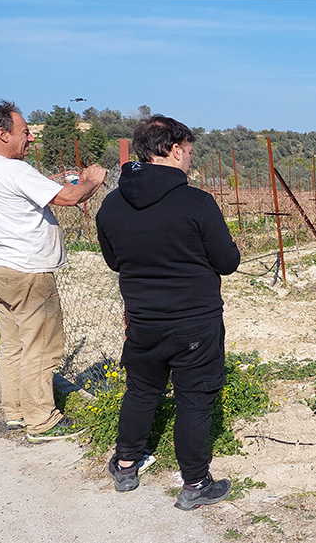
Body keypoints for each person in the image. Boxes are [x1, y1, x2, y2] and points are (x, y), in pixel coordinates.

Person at [95, 115, 240, 510]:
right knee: (194, 398)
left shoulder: (111, 204)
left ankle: (126, 465)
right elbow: (227, 262)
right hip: (195, 321)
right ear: (174, 150)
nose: (189, 160)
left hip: (142, 320)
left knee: (141, 391)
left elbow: (113, 261)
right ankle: (195, 483)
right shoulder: (196, 202)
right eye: (189, 152)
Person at [0, 100, 106, 442]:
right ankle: (42, 420)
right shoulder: (14, 170)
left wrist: (52, 179)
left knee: (13, 344)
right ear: (2, 134)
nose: (31, 138)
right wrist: (92, 182)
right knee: (42, 347)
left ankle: (16, 412)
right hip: (29, 273)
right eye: (25, 132)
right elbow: (68, 199)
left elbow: (21, 190)